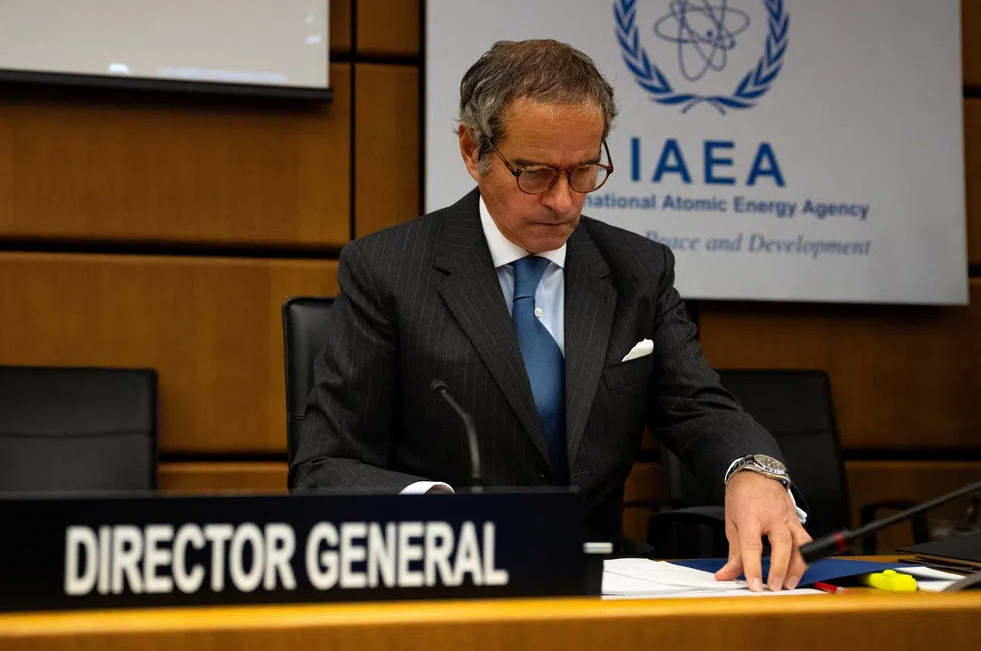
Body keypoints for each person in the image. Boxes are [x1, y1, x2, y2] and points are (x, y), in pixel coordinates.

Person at [290, 39, 812, 592]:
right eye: (536, 174)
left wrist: (753, 468)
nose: (563, 201)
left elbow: (697, 406)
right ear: (473, 151)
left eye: (583, 172)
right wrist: (443, 518)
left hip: (604, 584)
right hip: (447, 582)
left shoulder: (638, 268)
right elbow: (324, 469)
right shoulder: (388, 270)